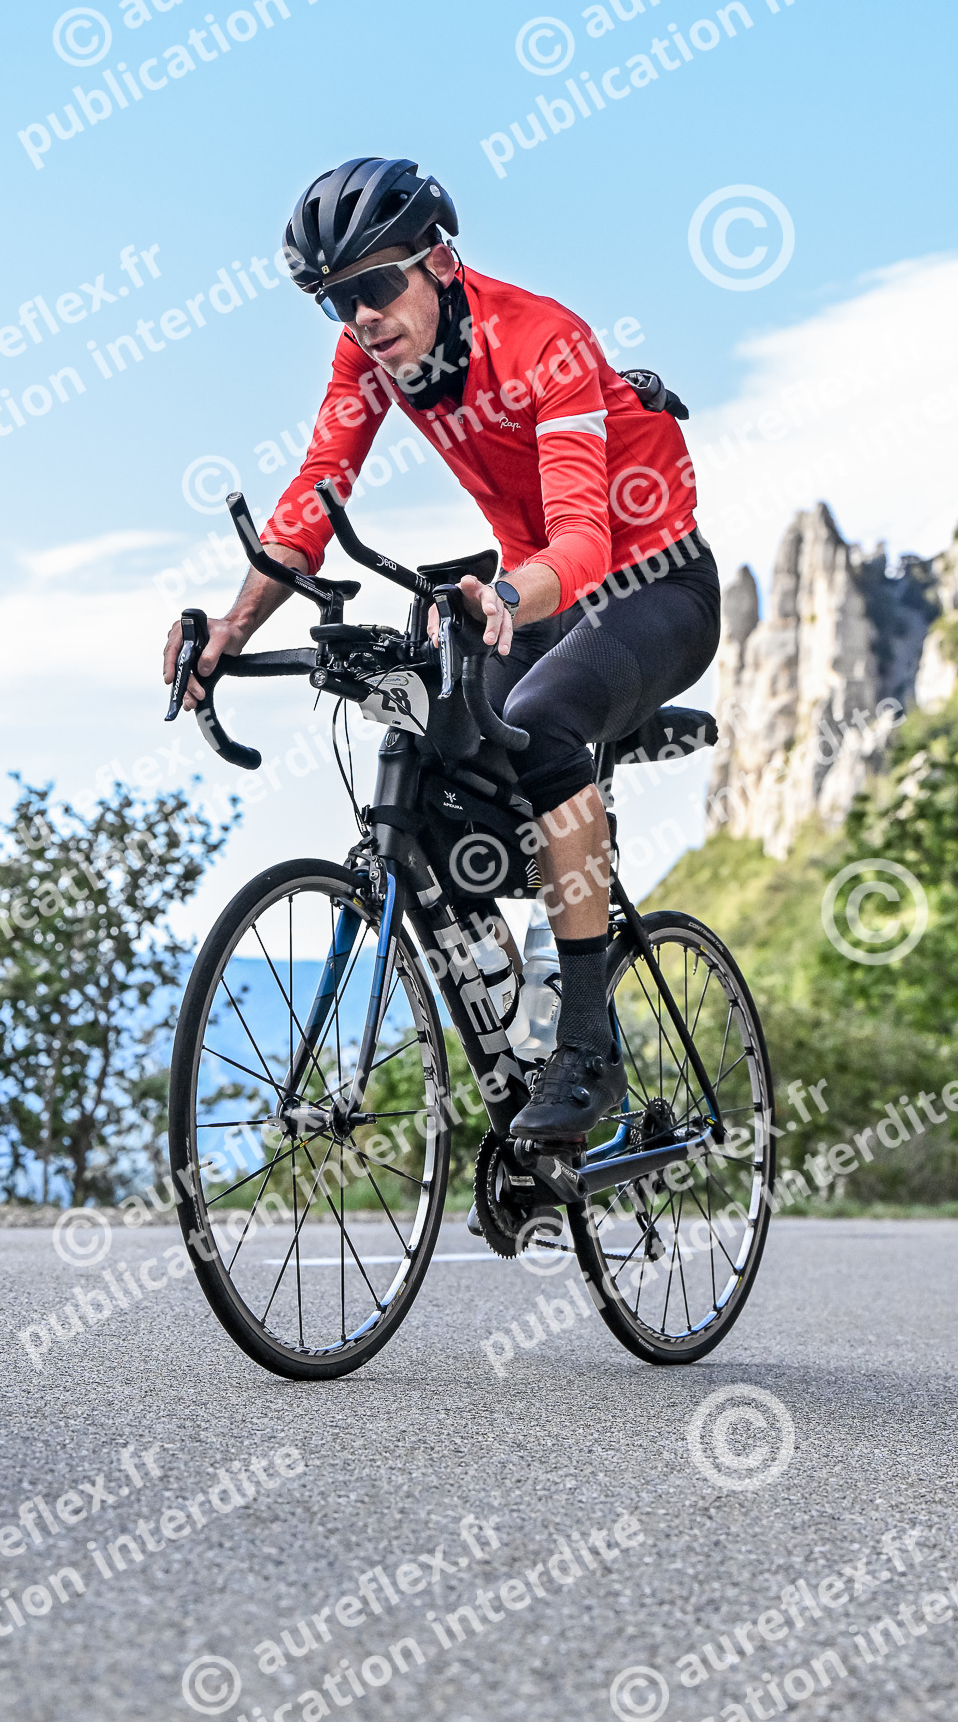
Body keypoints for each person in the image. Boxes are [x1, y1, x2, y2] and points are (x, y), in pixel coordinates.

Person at [162, 157, 720, 1139]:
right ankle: (515, 1034)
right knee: (440, 752)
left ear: (440, 261)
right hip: (535, 595)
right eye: (336, 302)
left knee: (543, 721)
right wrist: (231, 630)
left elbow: (584, 539)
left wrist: (502, 592)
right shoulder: (369, 357)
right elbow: (314, 494)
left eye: (376, 286)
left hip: (652, 583)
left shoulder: (542, 340)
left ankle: (585, 1047)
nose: (361, 317)